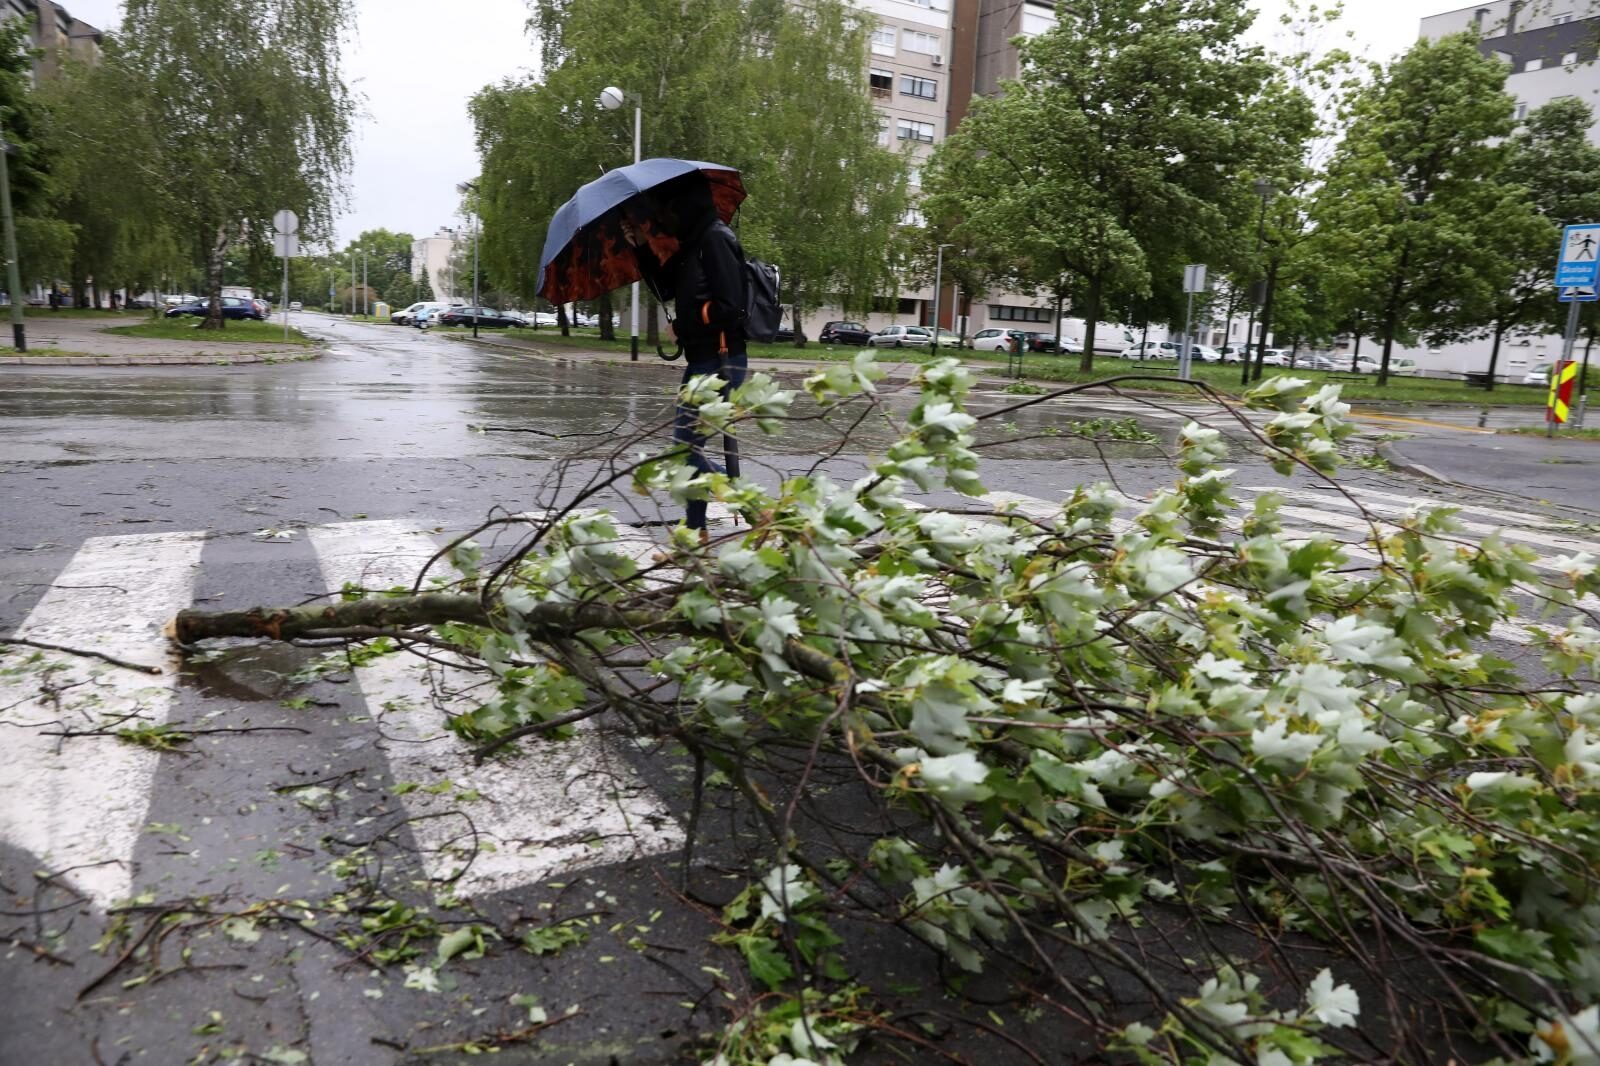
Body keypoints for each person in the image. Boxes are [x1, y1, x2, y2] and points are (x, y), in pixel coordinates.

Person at [622, 177, 748, 537]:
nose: (668, 217)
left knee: (683, 450)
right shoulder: (694, 244)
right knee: (689, 448)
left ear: (689, 205)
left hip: (721, 361)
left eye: (672, 209)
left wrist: (684, 325)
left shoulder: (717, 239)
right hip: (703, 361)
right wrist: (640, 246)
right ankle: (696, 531)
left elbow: (731, 306)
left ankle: (752, 503)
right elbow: (665, 287)